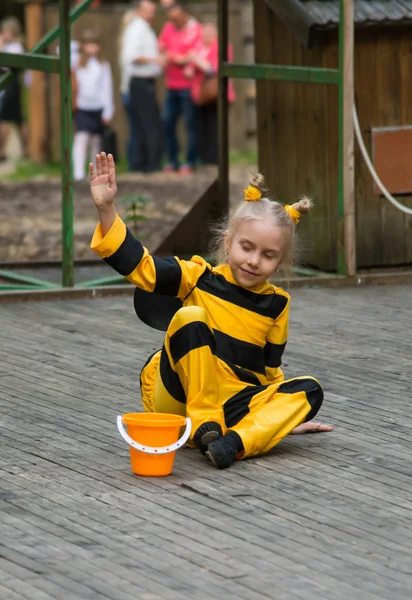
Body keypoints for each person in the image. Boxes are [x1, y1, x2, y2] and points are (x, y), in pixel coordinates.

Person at [89, 152, 333, 470]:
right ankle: (206, 423)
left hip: (232, 405)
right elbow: (142, 268)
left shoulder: (277, 305)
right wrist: (106, 208)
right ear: (228, 242)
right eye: (247, 247)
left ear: (281, 261)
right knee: (191, 317)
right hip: (179, 398)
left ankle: (232, 444)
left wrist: (278, 418)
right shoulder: (198, 277)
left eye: (268, 255)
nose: (254, 261)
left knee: (310, 390)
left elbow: (269, 374)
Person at [159, 2, 202, 174]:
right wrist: (167, 56)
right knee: (168, 123)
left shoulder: (195, 30)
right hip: (171, 85)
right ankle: (172, 159)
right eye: (171, 19)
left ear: (184, 14)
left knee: (190, 125)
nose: (173, 22)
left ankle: (190, 161)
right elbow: (161, 47)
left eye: (176, 19)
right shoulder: (168, 27)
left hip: (188, 87)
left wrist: (176, 58)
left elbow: (196, 55)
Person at [121, 0, 163, 173]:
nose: (152, 15)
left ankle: (142, 163)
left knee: (141, 124)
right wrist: (155, 59)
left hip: (143, 82)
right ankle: (150, 165)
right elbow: (132, 55)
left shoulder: (143, 28)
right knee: (148, 123)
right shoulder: (137, 29)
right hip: (140, 82)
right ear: (139, 11)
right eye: (148, 11)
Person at [188, 20, 235, 165]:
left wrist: (196, 60)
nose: (206, 35)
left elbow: (213, 69)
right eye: (204, 32)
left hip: (217, 94)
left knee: (215, 128)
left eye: (209, 32)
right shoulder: (199, 47)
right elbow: (190, 70)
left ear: (216, 33)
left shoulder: (222, 47)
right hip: (201, 95)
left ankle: (216, 160)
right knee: (202, 128)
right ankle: (205, 159)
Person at [72, 30, 114, 182]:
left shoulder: (103, 65)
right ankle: (77, 171)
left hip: (98, 107)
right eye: (88, 45)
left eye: (94, 45)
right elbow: (63, 49)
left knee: (96, 141)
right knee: (81, 138)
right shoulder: (77, 62)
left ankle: (95, 172)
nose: (91, 48)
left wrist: (108, 110)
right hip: (83, 106)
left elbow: (106, 88)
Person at [0, 17, 28, 161]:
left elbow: (5, 65)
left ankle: (1, 150)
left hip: (11, 84)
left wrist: (1, 43)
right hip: (9, 84)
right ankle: (26, 148)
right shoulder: (11, 46)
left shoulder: (16, 47)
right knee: (18, 119)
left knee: (4, 118)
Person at [118, 8, 138, 170]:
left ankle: (133, 162)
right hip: (131, 90)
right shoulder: (129, 42)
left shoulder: (124, 41)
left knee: (135, 127)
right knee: (135, 128)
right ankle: (133, 162)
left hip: (127, 90)